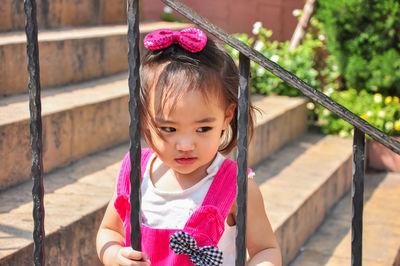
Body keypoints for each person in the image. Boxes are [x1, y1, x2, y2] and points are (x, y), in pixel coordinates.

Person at [96, 28, 282, 266]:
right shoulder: (135, 172)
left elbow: (265, 249)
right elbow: (109, 231)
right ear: (144, 118)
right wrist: (114, 256)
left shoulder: (237, 186)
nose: (185, 145)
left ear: (227, 116)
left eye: (203, 129)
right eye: (169, 129)